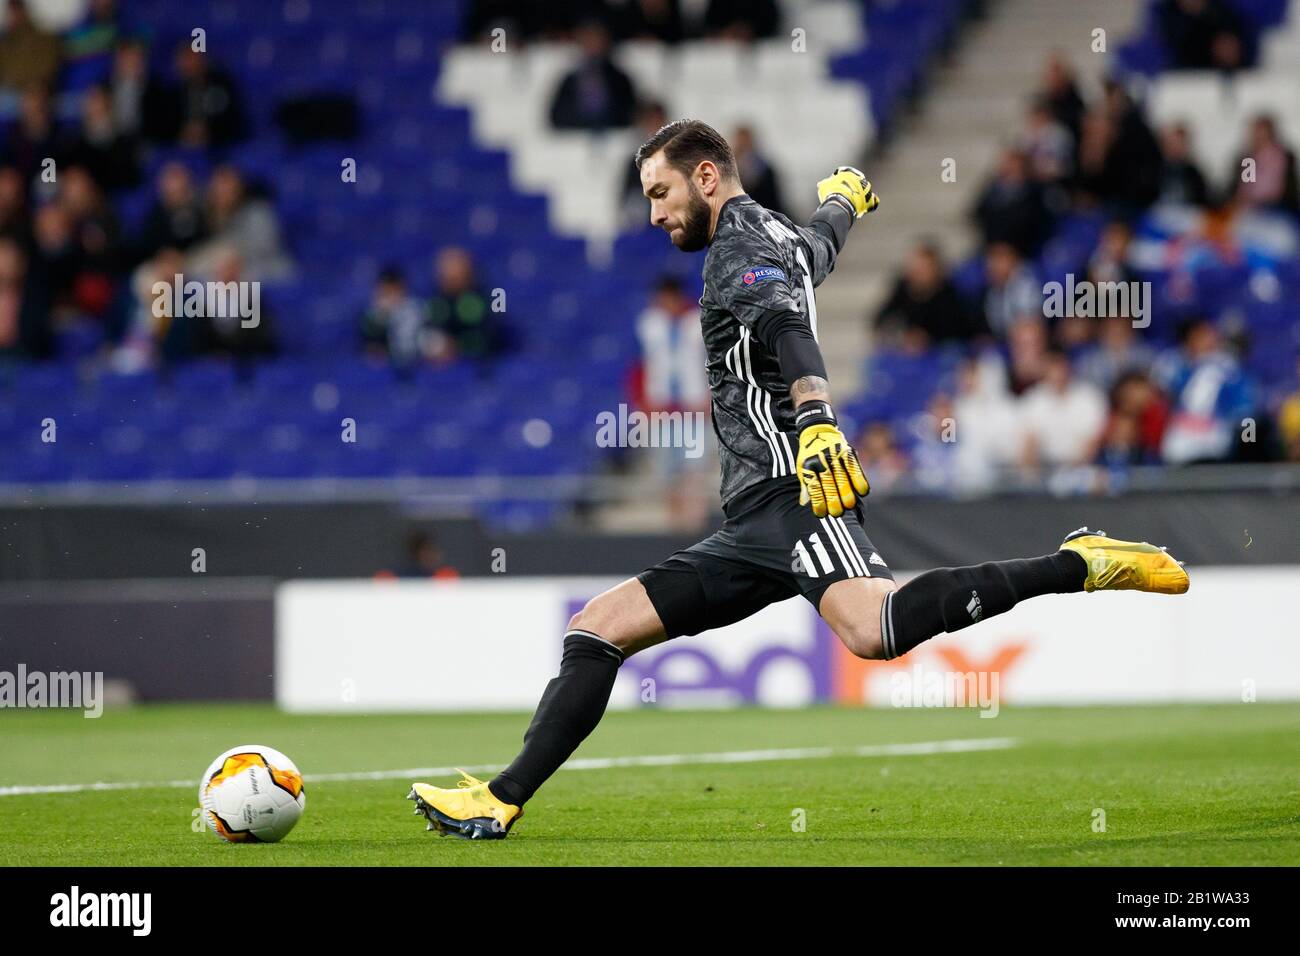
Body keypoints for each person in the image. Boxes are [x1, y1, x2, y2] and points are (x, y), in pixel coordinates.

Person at [406, 121, 1189, 839]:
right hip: (750, 517)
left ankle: (1075, 564)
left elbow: (782, 323)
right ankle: (501, 800)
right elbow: (817, 250)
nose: (653, 215)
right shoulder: (774, 231)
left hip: (792, 490)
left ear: (706, 176)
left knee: (873, 631)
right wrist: (845, 204)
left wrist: (815, 421)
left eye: (660, 193)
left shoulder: (736, 251)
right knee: (597, 626)